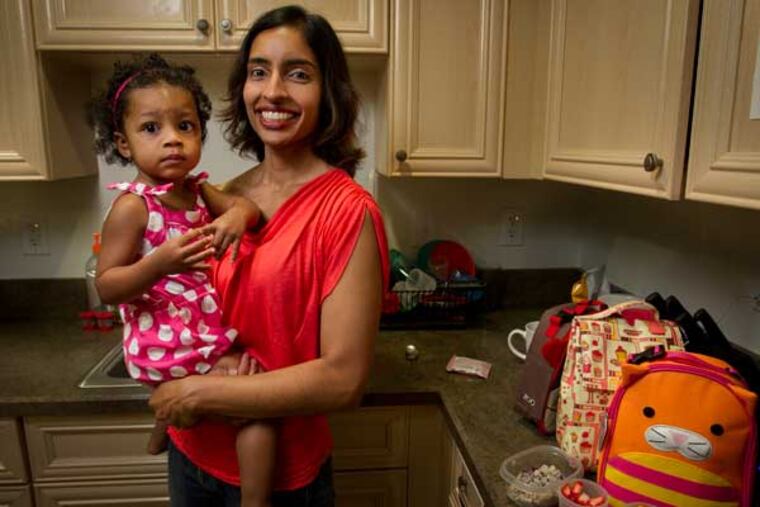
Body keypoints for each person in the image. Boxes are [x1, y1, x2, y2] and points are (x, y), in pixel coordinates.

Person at [147, 5, 390, 507]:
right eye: (259, 72)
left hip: (283, 479)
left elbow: (343, 380)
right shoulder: (224, 197)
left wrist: (197, 393)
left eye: (297, 74)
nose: (273, 91)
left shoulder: (347, 212)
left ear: (329, 93)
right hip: (190, 454)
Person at [87, 53, 277, 507]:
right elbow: (107, 285)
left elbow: (248, 208)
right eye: (152, 128)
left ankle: (163, 429)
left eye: (185, 126)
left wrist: (236, 216)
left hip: (195, 328)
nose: (172, 140)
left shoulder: (194, 189)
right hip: (166, 342)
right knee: (259, 411)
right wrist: (160, 263)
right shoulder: (133, 208)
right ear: (124, 143)